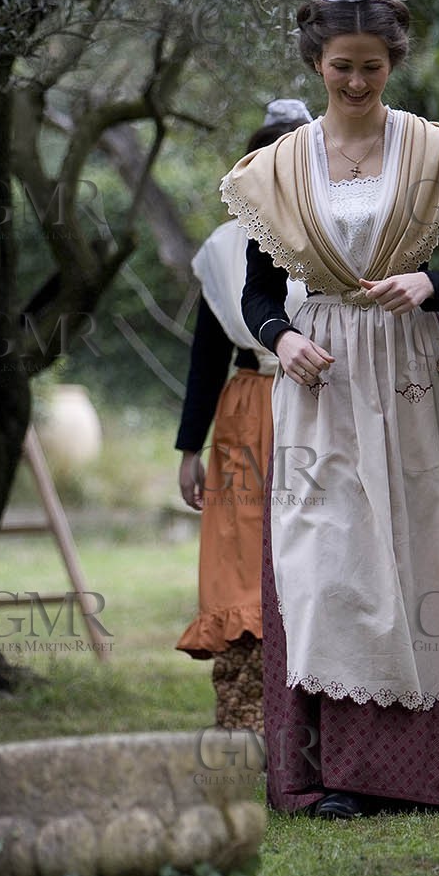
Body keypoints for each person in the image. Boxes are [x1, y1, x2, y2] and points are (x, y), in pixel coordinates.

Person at [220, 0, 439, 817]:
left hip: (408, 382)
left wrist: (430, 288)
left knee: (423, 557)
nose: (356, 83)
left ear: (392, 61)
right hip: (321, 385)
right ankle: (342, 774)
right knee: (331, 566)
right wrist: (281, 337)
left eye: (371, 67)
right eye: (341, 68)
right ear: (315, 64)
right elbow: (258, 291)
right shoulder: (277, 169)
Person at [174, 99, 313, 731]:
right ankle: (248, 712)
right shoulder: (225, 249)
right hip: (249, 406)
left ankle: (324, 703)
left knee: (317, 542)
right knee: (241, 551)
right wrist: (189, 448)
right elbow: (208, 355)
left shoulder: (340, 235)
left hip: (319, 401)